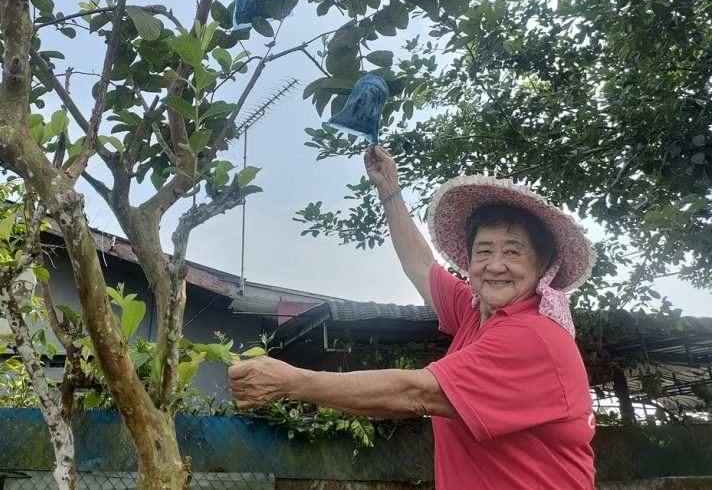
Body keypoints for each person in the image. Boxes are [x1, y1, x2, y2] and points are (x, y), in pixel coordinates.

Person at [228, 146, 597, 489]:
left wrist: (290, 382)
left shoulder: (532, 336)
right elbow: (421, 265)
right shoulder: (476, 311)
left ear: (543, 266)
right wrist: (389, 189)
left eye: (513, 252)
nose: (495, 265)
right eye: (483, 251)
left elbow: (416, 392)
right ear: (468, 262)